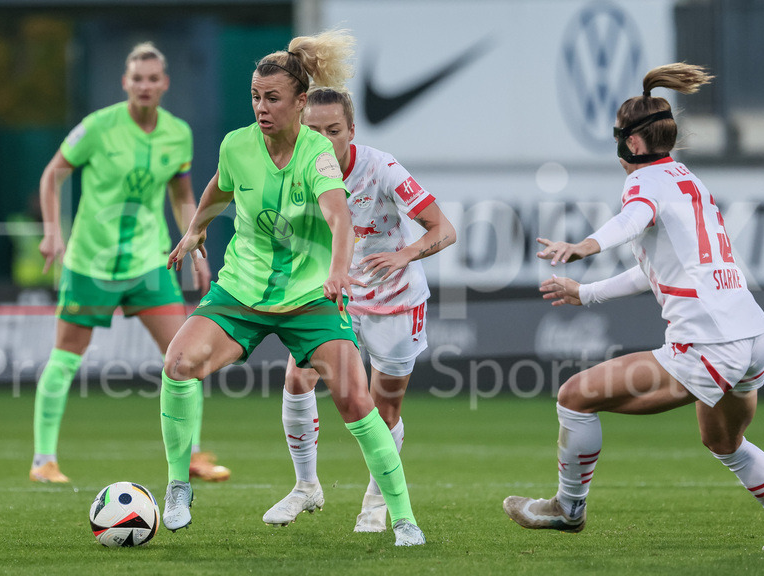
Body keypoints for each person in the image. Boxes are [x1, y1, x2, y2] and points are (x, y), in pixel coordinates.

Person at [502, 63, 764, 551]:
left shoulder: (645, 184)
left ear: (631, 143)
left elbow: (630, 222)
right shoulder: (686, 180)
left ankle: (568, 509)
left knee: (574, 396)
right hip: (752, 336)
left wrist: (584, 246)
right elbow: (657, 270)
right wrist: (587, 292)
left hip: (708, 343)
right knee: (724, 443)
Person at [160, 30, 426, 546]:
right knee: (178, 364)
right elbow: (220, 184)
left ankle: (404, 518)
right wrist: (196, 229)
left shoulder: (316, 154)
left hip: (309, 297)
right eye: (256, 97)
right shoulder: (237, 144)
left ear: (300, 102)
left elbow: (339, 217)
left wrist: (337, 271)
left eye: (273, 98)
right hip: (240, 291)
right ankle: (176, 485)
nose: (261, 107)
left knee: (354, 400)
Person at [30, 42, 230, 485]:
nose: (144, 85)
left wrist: (195, 244)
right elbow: (52, 175)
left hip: (149, 261)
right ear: (125, 83)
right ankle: (43, 460)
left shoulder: (178, 133)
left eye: (152, 78)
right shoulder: (97, 127)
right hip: (91, 262)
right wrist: (52, 231)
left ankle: (192, 456)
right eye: (136, 78)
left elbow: (182, 195)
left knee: (185, 358)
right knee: (65, 358)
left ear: (164, 85)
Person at [261, 87, 456, 532]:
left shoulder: (381, 168)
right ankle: (305, 486)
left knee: (382, 410)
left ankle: (375, 504)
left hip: (395, 303)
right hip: (335, 298)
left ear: (352, 130)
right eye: (313, 130)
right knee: (297, 377)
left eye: (334, 131)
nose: (324, 140)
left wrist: (404, 256)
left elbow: (444, 229)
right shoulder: (292, 169)